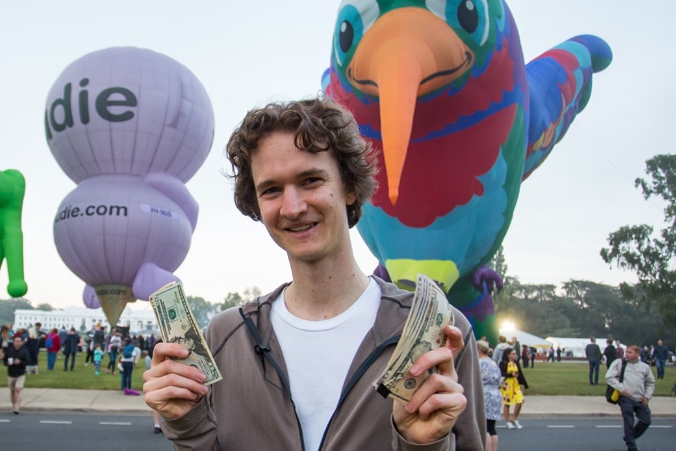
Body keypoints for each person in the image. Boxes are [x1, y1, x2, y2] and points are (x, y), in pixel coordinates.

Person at [142, 98, 485, 450]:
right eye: (272, 190)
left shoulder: (437, 331)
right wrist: (186, 425)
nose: (293, 207)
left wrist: (420, 446)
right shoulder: (227, 337)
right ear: (257, 204)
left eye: (310, 180)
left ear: (350, 187)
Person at [606, 345, 655, 451]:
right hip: (626, 398)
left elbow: (650, 382)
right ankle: (631, 446)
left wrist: (647, 396)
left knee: (646, 420)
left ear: (637, 354)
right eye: (626, 352)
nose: (626, 354)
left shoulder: (644, 367)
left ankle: (629, 436)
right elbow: (609, 377)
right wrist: (621, 388)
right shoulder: (619, 363)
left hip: (640, 398)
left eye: (630, 352)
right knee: (629, 421)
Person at [478, 341, 501, 451]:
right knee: (492, 427)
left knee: (484, 428)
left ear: (479, 350)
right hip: (495, 394)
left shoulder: (480, 362)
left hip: (484, 394)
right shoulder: (493, 363)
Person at [499, 348, 528, 429]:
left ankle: (514, 418)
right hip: (507, 384)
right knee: (507, 403)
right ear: (508, 355)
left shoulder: (516, 363)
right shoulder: (504, 363)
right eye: (513, 354)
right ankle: (507, 421)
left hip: (515, 384)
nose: (515, 355)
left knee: (520, 400)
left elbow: (520, 374)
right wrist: (511, 375)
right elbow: (501, 373)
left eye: (515, 354)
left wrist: (525, 385)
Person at [3, 334, 31, 414]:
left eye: (18, 341)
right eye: (15, 341)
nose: (16, 343)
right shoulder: (10, 351)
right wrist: (7, 363)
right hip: (11, 373)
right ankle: (13, 405)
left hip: (20, 373)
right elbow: (4, 361)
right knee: (12, 391)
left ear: (21, 342)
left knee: (18, 389)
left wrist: (20, 362)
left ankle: (17, 407)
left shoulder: (24, 351)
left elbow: (28, 361)